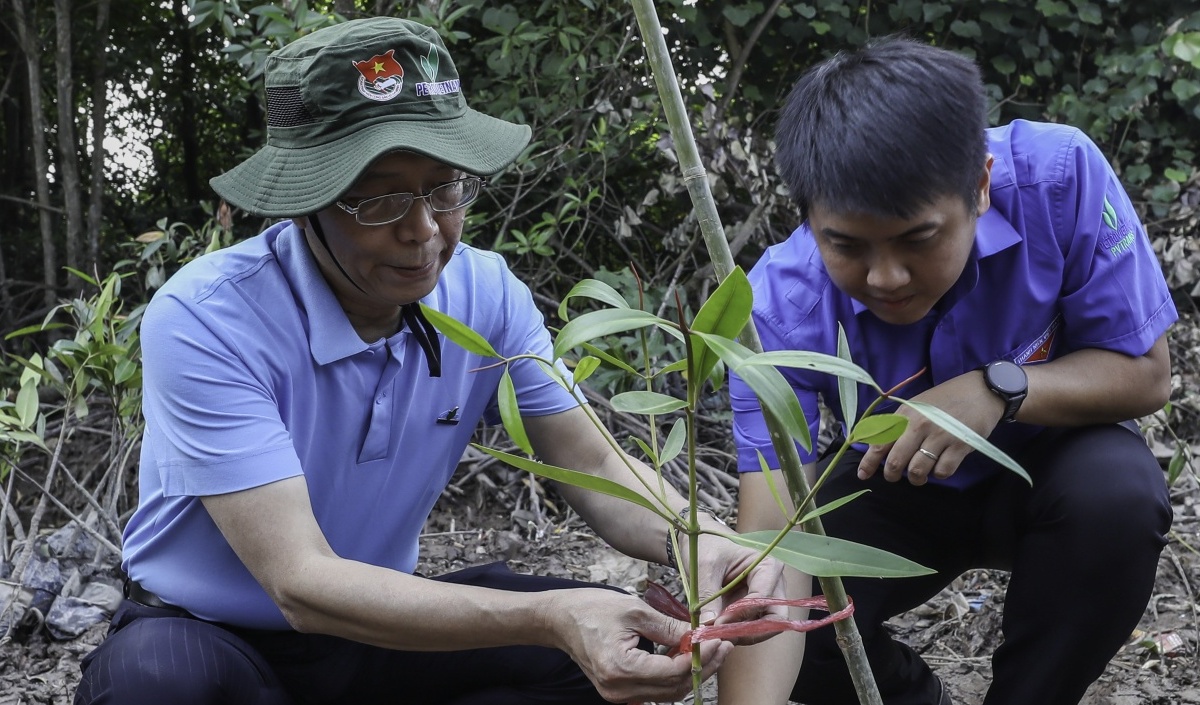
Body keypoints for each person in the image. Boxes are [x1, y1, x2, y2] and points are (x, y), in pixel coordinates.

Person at [73, 17, 784, 705]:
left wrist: (698, 538)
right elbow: (299, 579)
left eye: (445, 189)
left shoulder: (484, 292)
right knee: (153, 683)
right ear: (305, 206)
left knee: (596, 652)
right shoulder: (209, 316)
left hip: (376, 634)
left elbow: (594, 466)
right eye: (379, 198)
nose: (423, 232)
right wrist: (550, 615)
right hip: (219, 637)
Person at [718, 37, 1175, 705]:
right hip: (897, 473)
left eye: (918, 239)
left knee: (1120, 498)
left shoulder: (1059, 179)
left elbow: (1147, 375)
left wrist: (999, 389)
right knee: (807, 609)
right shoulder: (778, 308)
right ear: (810, 216)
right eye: (845, 245)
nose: (885, 277)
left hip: (1054, 463)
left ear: (982, 185)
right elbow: (773, 548)